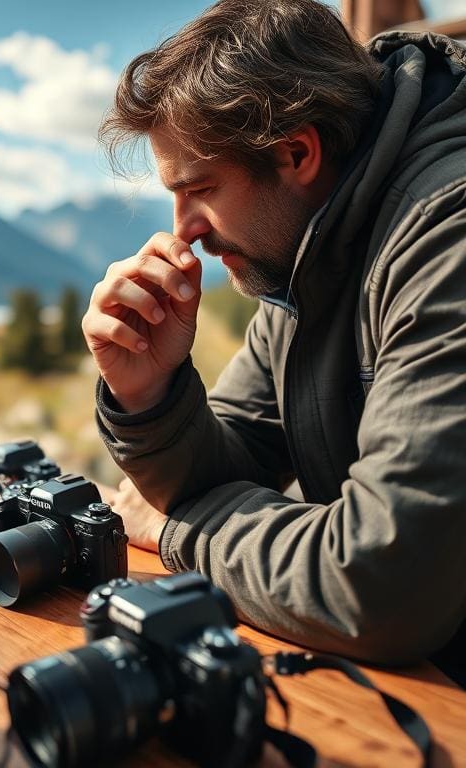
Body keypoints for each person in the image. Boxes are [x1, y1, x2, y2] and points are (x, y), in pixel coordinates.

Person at [83, 0, 466, 684]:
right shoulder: (313, 247)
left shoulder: (445, 234)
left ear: (297, 152)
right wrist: (148, 391)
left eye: (198, 189)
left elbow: (384, 582)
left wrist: (182, 536)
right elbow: (232, 461)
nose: (183, 233)